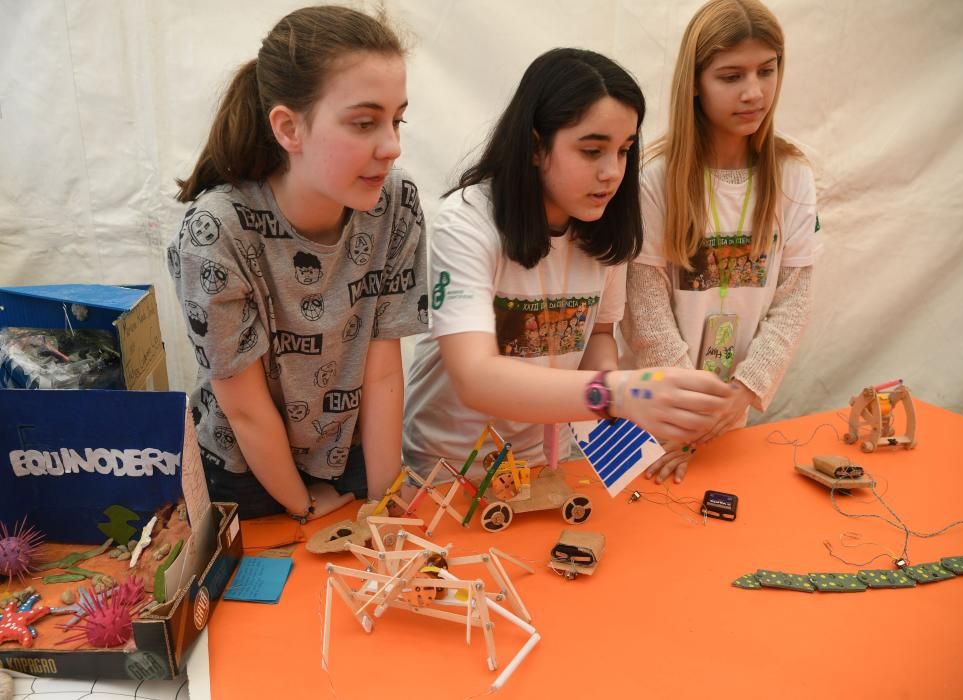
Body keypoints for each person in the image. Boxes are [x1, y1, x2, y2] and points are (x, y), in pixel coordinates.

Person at [403, 48, 732, 474]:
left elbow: (596, 336)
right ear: (536, 147)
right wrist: (618, 392)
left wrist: (624, 447)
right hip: (446, 476)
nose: (612, 172)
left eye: (624, 150)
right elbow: (475, 377)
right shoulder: (466, 223)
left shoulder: (604, 228)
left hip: (540, 470)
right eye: (592, 151)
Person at [167, 6, 427, 520]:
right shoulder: (214, 232)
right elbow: (243, 406)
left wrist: (384, 502)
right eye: (364, 122)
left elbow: (381, 372)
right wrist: (304, 506)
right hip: (248, 473)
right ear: (289, 127)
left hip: (351, 456)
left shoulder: (396, 205)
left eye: (397, 119)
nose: (393, 146)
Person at [620, 0, 820, 484]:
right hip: (651, 418)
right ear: (694, 81)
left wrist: (742, 392)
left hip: (731, 419)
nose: (754, 92)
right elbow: (642, 306)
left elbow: (795, 300)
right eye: (731, 76)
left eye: (766, 71)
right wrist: (690, 408)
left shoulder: (793, 175)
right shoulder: (654, 176)